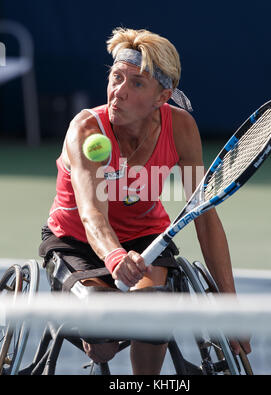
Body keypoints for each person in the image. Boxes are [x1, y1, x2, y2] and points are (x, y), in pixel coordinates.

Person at [39, 27, 251, 374]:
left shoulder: (180, 128)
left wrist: (230, 304)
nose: (117, 92)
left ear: (162, 96)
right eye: (116, 77)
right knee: (103, 341)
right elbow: (92, 213)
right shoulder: (86, 130)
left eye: (135, 83)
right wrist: (115, 256)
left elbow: (205, 217)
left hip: (145, 237)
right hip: (75, 239)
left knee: (153, 316)